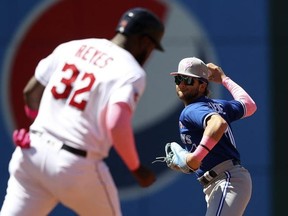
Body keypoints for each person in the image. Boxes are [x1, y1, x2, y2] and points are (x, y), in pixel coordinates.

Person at [0, 7, 165, 216]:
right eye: (152, 47)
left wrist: (42, 126)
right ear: (145, 42)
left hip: (31, 152)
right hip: (75, 166)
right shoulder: (131, 71)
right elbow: (116, 123)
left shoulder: (73, 47)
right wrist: (136, 168)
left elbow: (31, 92)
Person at [167, 57, 257, 215]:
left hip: (227, 179)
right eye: (178, 78)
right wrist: (224, 79)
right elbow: (249, 105)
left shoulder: (191, 110)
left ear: (202, 85)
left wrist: (195, 157)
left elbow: (218, 124)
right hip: (223, 181)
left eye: (188, 80)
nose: (181, 84)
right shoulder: (220, 105)